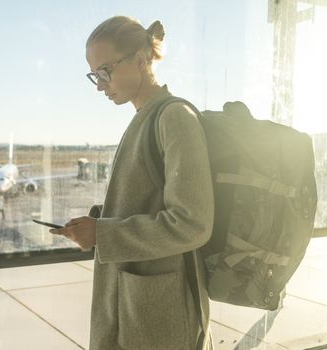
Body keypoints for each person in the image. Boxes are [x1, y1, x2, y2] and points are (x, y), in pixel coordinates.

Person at [50, 16, 215, 350]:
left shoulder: (175, 118)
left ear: (140, 60)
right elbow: (146, 202)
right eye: (95, 75)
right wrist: (98, 223)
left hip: (161, 319)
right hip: (137, 308)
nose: (100, 85)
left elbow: (193, 223)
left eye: (105, 71)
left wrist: (103, 234)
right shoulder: (145, 119)